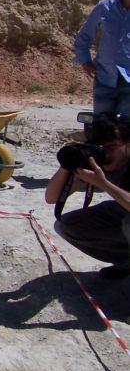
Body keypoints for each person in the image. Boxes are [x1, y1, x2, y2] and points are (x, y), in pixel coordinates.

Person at [45, 112, 130, 280]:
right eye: (101, 147)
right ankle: (127, 263)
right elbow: (51, 197)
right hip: (123, 208)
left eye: (112, 147)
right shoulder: (98, 158)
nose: (106, 153)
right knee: (67, 226)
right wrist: (69, 163)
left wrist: (103, 183)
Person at [73, 0, 130, 114]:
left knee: (126, 132)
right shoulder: (105, 7)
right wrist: (85, 60)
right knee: (102, 129)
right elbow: (84, 36)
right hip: (105, 78)